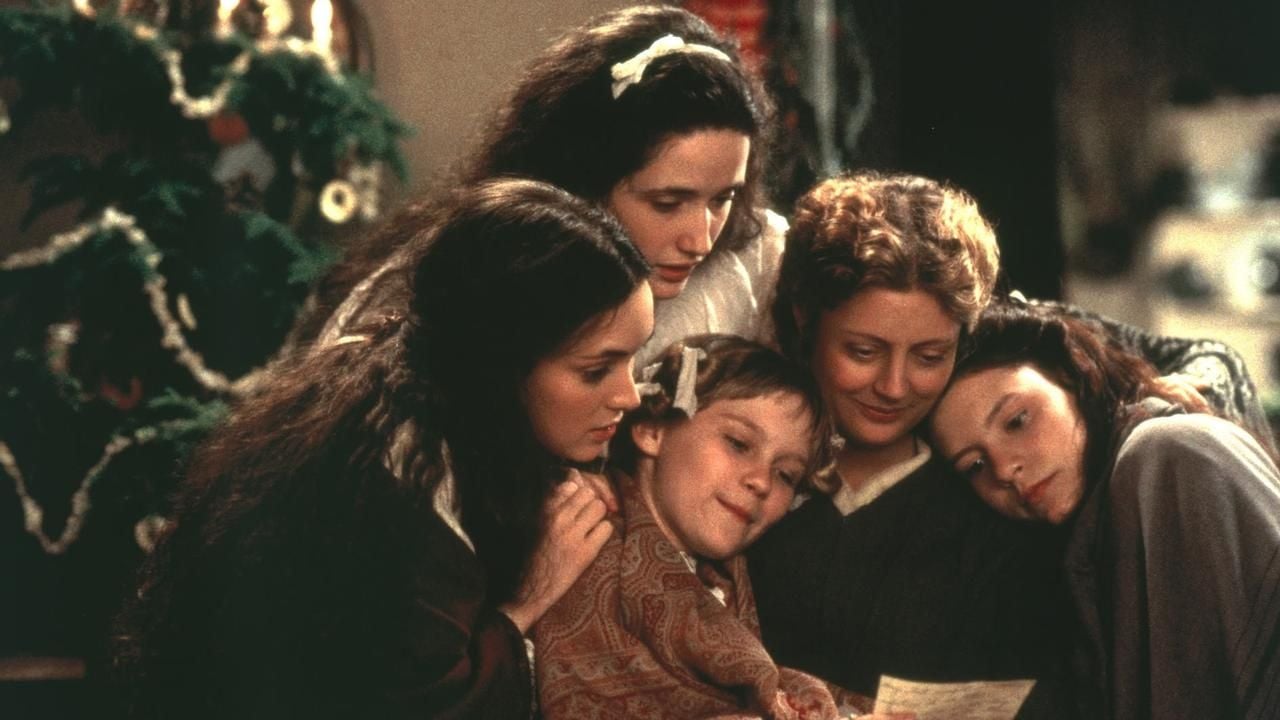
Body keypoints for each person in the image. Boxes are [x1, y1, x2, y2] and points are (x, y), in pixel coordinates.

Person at [110, 178, 654, 719]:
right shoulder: (401, 478)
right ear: (502, 362)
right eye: (595, 370)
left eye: (631, 359)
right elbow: (418, 706)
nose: (628, 395)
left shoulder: (421, 391)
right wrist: (526, 604)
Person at [745, 171, 1265, 715]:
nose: (895, 387)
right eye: (863, 352)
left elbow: (1201, 361)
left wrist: (1154, 391)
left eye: (929, 356)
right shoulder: (759, 434)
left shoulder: (1001, 357)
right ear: (806, 320)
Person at [315, 4, 782, 366]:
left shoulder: (758, 263)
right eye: (667, 203)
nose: (700, 240)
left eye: (724, 198)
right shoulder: (434, 291)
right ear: (581, 181)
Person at [927, 300, 1280, 720]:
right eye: (974, 466)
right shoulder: (1071, 549)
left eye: (1017, 421)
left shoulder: (1169, 456)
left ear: (1071, 378)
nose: (1004, 469)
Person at [535, 334, 905, 720]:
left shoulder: (729, 582)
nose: (761, 481)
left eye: (786, 474)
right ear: (652, 431)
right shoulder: (582, 532)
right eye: (738, 444)